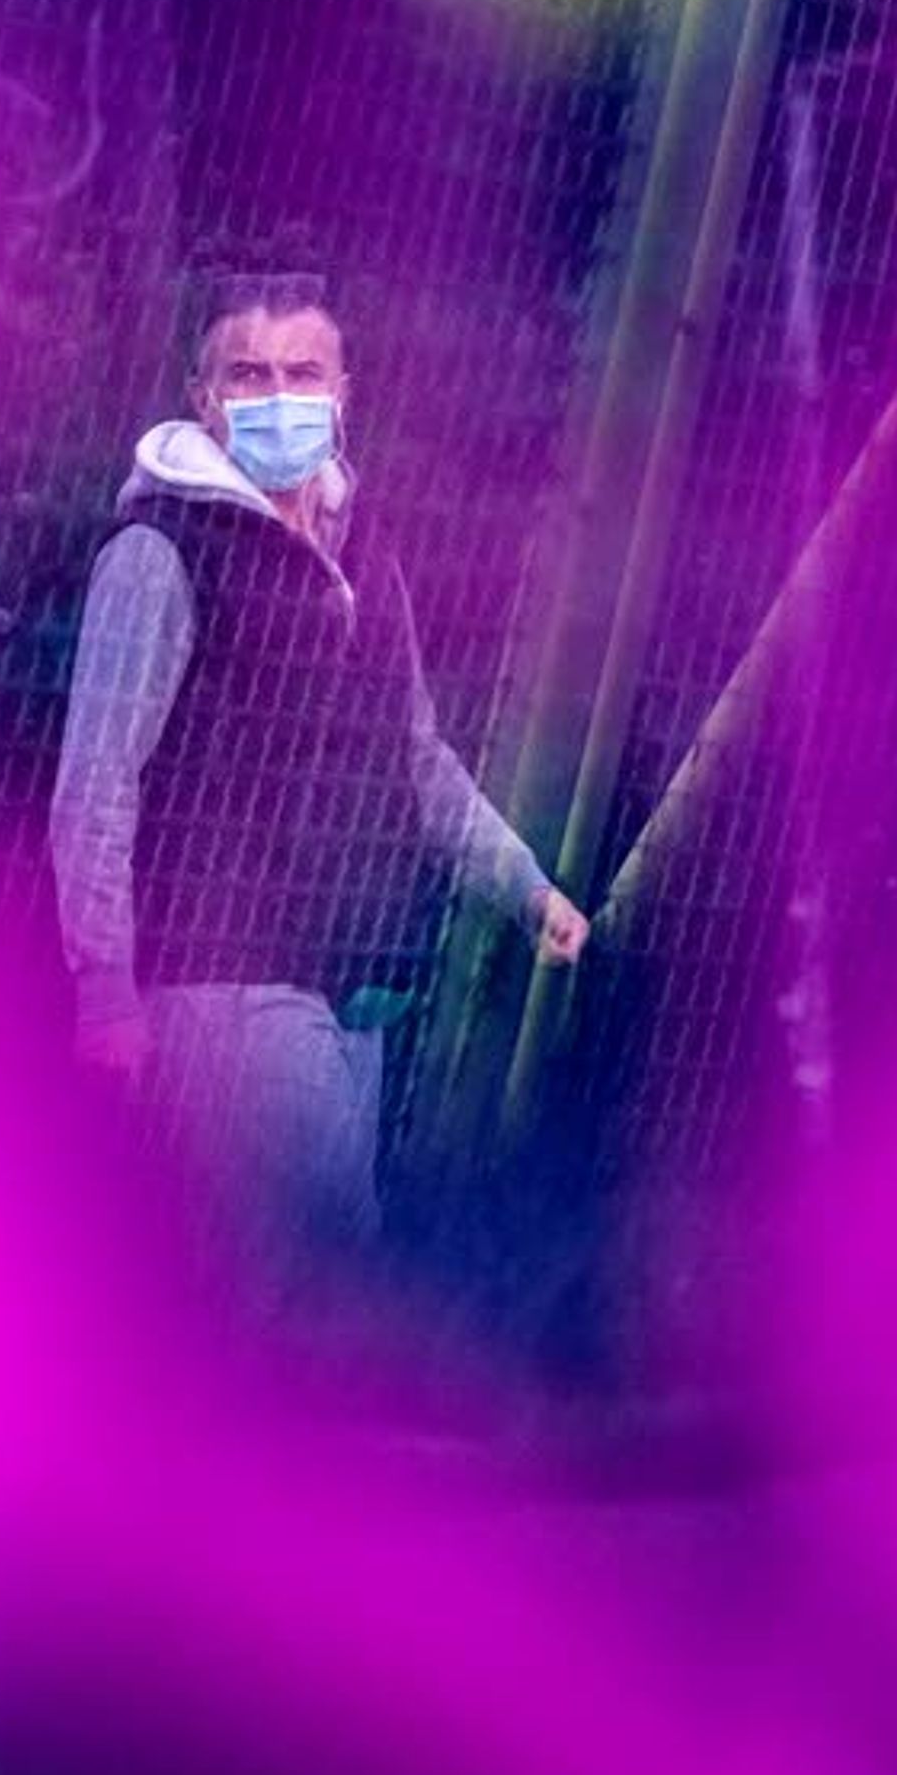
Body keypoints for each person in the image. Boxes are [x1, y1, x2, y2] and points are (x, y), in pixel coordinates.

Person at [51, 272, 586, 1281]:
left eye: (303, 371)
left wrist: (526, 887)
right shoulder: (160, 552)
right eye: (249, 373)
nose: (277, 393)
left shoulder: (366, 560)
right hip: (221, 981)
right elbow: (96, 777)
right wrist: (106, 988)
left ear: (343, 393)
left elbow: (419, 755)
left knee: (270, 1287)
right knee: (316, 1280)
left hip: (351, 990)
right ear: (204, 396)